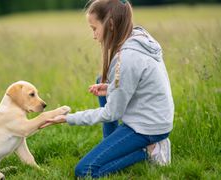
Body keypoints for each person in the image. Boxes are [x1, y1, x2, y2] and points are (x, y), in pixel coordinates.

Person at [40, 0, 174, 178]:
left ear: (110, 25)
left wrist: (67, 118)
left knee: (85, 171)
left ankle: (148, 150)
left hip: (148, 127)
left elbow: (111, 114)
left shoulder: (127, 59)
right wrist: (111, 89)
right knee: (100, 80)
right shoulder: (137, 36)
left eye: (94, 28)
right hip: (155, 116)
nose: (94, 36)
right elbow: (138, 84)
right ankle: (112, 146)